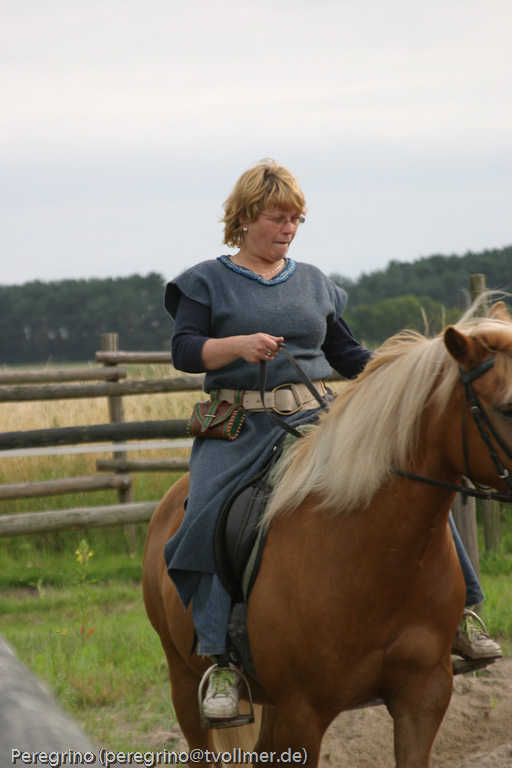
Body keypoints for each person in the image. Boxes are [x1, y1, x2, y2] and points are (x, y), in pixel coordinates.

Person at [164, 159, 501, 724]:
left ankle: (461, 613)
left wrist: (404, 379)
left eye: (296, 219)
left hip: (321, 419)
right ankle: (220, 660)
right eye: (277, 218)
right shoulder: (205, 281)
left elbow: (347, 356)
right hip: (242, 426)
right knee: (208, 515)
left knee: (414, 483)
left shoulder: (315, 282)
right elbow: (183, 350)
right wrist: (238, 346)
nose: (288, 229)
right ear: (245, 218)